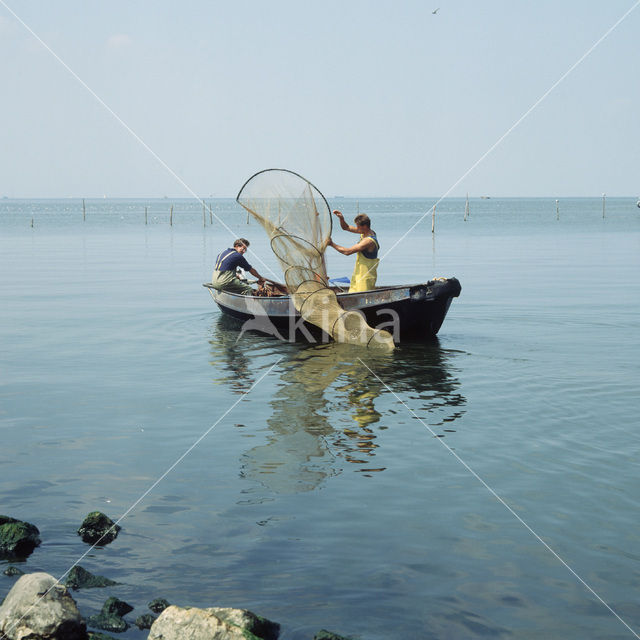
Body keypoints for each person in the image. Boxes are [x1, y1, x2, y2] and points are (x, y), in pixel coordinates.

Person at [328, 211, 380, 293]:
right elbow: (346, 227)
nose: (357, 229)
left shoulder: (368, 241)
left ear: (365, 226)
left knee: (364, 298)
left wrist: (331, 244)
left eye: (358, 227)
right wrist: (341, 219)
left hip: (366, 276)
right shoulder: (364, 232)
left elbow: (347, 252)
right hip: (358, 274)